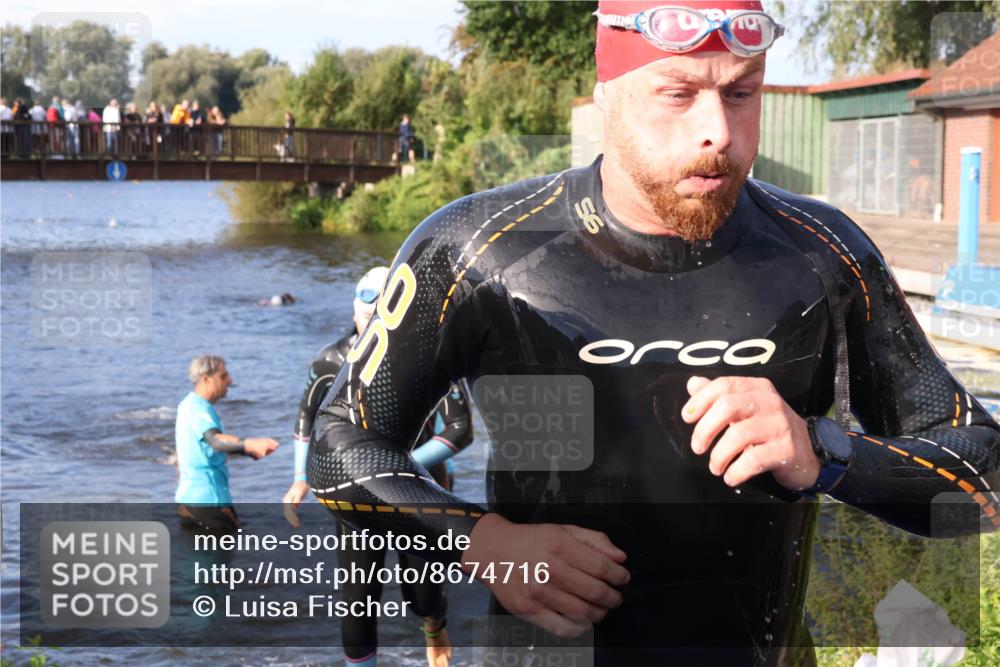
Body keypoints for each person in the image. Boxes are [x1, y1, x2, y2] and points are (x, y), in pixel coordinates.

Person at [306, 2, 1000, 665]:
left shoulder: (824, 254)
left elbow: (984, 475)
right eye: (678, 94)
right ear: (607, 98)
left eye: (741, 93)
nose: (717, 132)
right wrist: (484, 543)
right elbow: (338, 444)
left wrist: (825, 452)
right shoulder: (477, 249)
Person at [284, 266, 475, 667]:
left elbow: (460, 429)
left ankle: (434, 625)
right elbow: (306, 417)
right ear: (354, 308)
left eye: (380, 309)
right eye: (366, 306)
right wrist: (300, 478)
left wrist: (398, 468)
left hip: (421, 491)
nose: (371, 318)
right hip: (357, 494)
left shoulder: (431, 353)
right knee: (358, 600)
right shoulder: (330, 361)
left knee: (423, 596)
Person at [175, 355, 279, 532]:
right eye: (223, 376)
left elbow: (201, 447)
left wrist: (244, 450)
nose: (229, 380)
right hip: (210, 503)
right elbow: (215, 440)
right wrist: (249, 445)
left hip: (188, 501)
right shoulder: (199, 410)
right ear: (206, 379)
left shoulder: (187, 405)